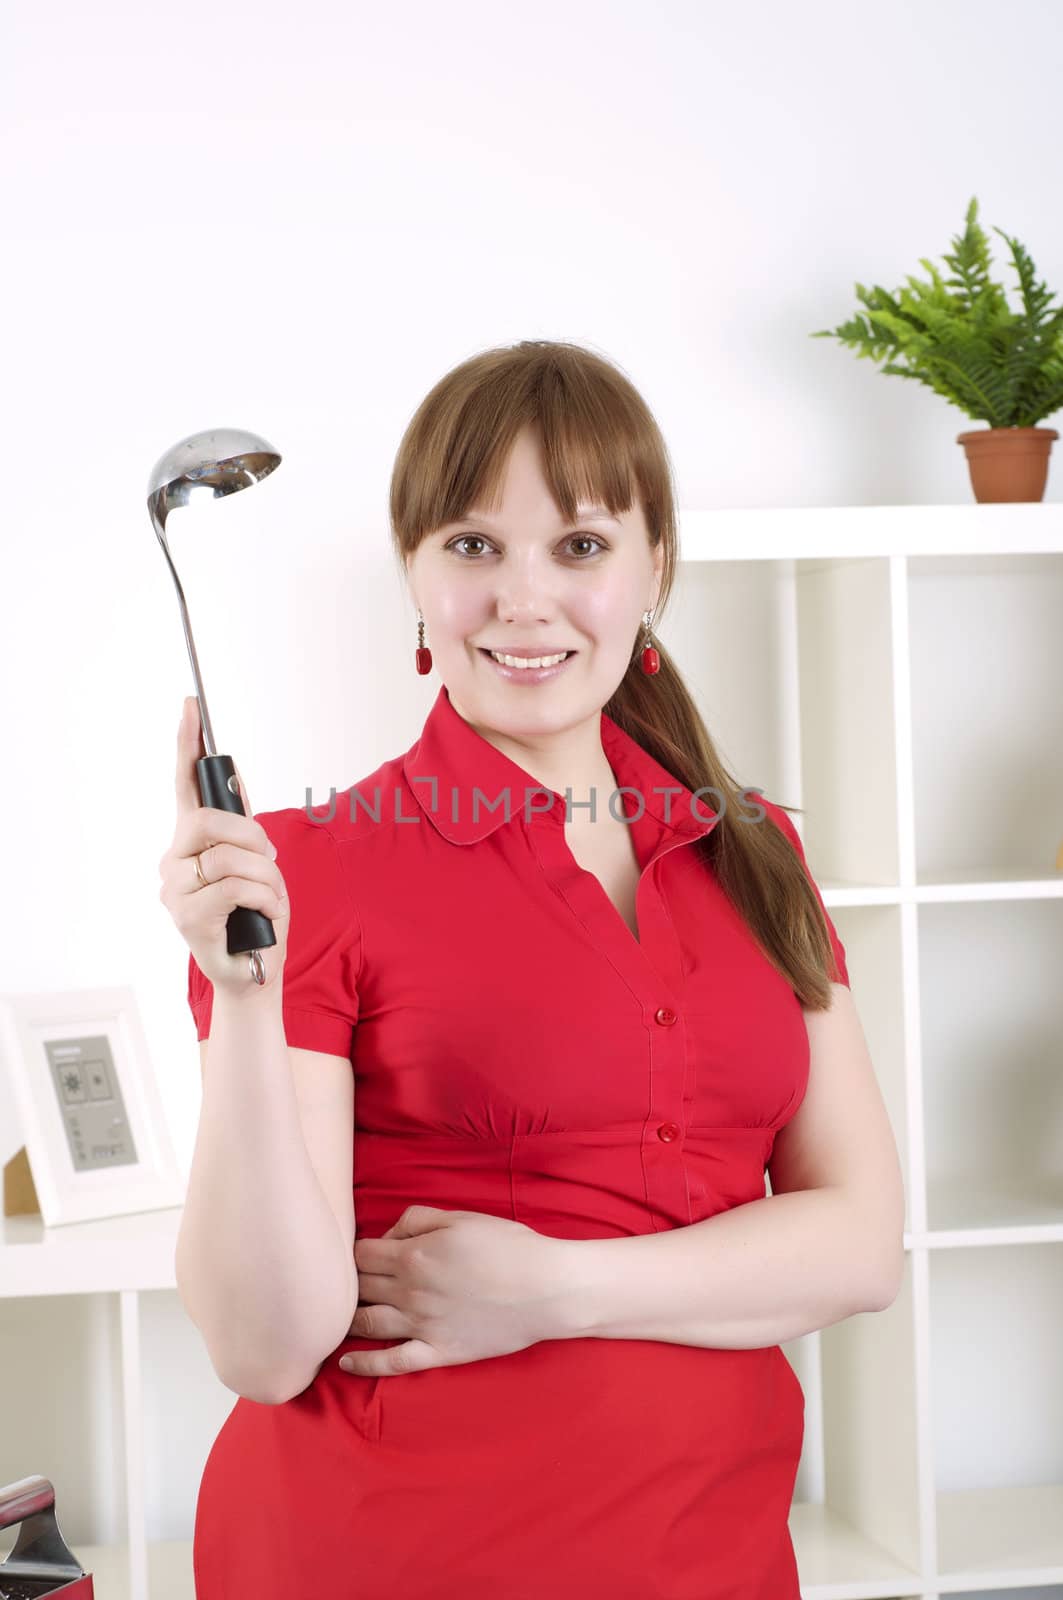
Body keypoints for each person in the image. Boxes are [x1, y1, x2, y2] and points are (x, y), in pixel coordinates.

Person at [160, 339, 905, 1600]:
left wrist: (551, 1287)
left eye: (579, 545)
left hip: (711, 1559)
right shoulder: (310, 871)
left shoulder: (758, 851)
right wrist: (242, 993)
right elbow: (264, 1346)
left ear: (652, 567)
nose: (522, 598)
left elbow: (858, 1246)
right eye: (470, 545)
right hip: (384, 1555)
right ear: (412, 572)